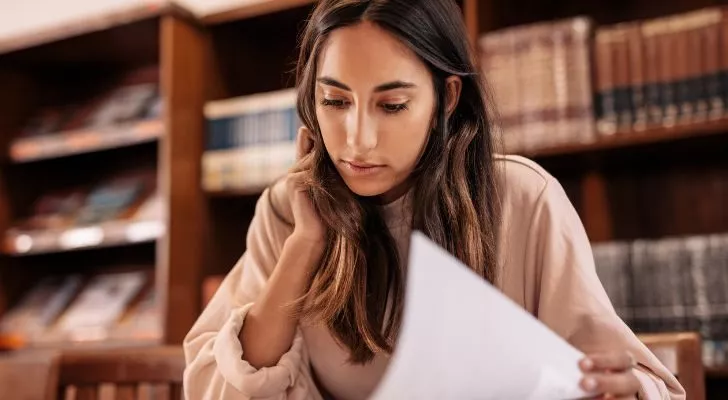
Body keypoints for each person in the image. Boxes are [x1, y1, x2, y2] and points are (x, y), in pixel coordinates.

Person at [183, 0, 685, 399]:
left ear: (445, 98)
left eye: (393, 105)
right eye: (334, 101)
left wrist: (615, 391)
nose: (357, 140)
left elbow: (634, 381)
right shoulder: (288, 209)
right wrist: (305, 244)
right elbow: (213, 388)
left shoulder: (522, 199)